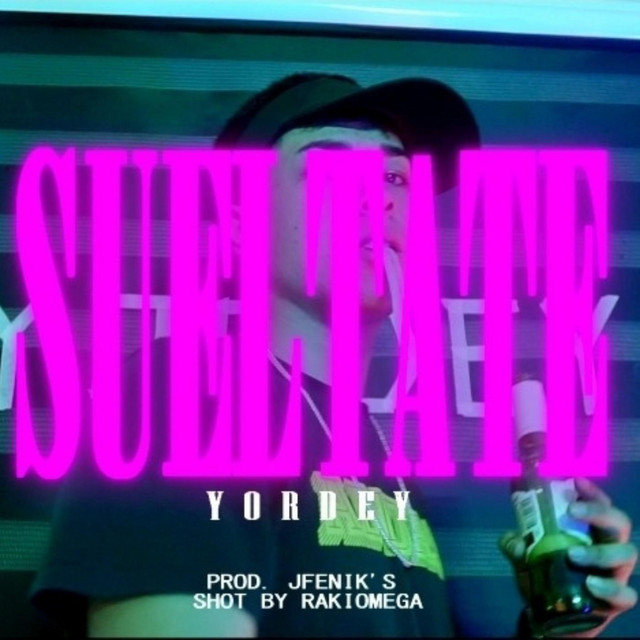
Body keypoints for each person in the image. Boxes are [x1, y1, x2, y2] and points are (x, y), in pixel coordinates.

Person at [29, 73, 637, 637]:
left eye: (396, 177)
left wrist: (555, 624)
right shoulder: (187, 389)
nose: (378, 196)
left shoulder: (381, 458)